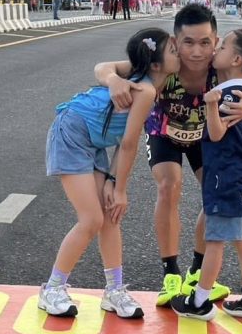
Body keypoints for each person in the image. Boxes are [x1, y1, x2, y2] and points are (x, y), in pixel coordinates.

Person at [95, 3, 242, 307]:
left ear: (216, 41)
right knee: (168, 185)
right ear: (175, 42)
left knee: (215, 193)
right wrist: (113, 80)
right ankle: (170, 273)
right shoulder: (165, 63)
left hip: (206, 139)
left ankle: (197, 270)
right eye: (188, 43)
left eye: (205, 43)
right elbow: (104, 67)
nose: (197, 52)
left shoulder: (221, 67)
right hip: (164, 134)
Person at [40, 28, 180, 319]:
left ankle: (114, 291)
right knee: (91, 219)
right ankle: (52, 288)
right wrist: (120, 191)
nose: (179, 53)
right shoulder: (147, 90)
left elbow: (124, 142)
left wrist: (114, 183)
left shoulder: (153, 78)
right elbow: (128, 144)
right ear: (156, 64)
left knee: (110, 216)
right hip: (72, 133)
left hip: (93, 140)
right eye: (173, 50)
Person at [171, 29, 242, 321]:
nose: (215, 50)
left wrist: (210, 104)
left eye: (221, 47)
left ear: (236, 60)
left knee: (215, 241)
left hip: (225, 177)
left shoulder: (228, 95)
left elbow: (216, 133)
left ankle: (199, 302)